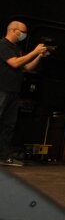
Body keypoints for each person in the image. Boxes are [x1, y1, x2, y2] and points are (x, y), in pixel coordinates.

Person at [0, 21, 48, 167]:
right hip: (2, 89)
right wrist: (34, 51)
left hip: (14, 91)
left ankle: (2, 155)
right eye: (22, 32)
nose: (24, 35)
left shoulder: (17, 48)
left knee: (8, 125)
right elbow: (14, 63)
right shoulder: (3, 45)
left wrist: (39, 55)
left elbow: (26, 67)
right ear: (13, 30)